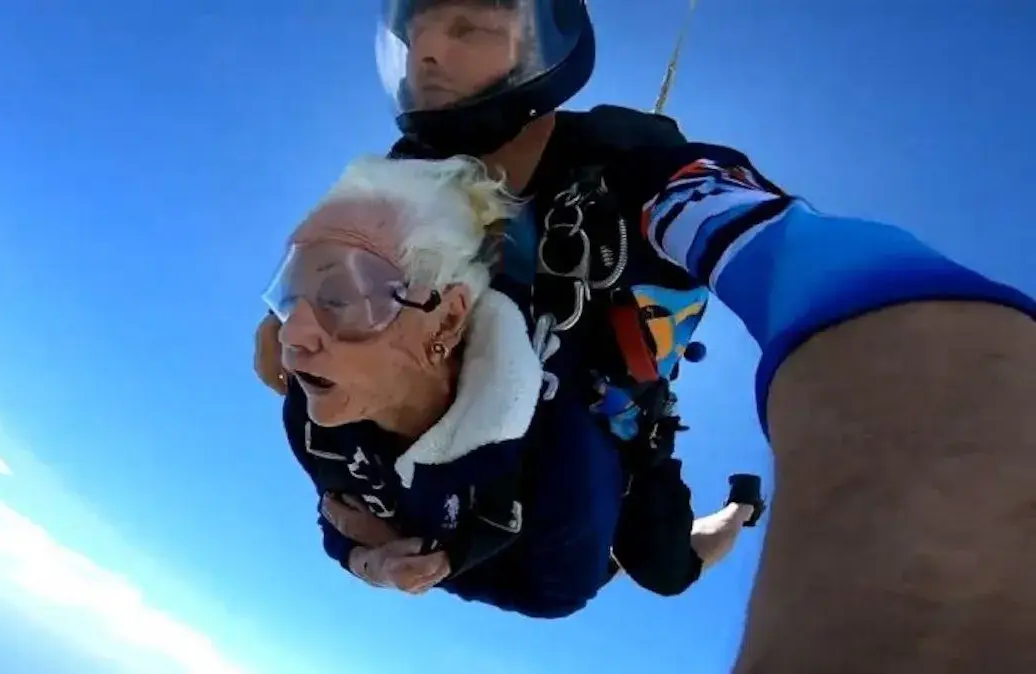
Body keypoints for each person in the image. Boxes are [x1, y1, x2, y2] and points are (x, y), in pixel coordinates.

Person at [260, 2, 1036, 671]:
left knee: (665, 568)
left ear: (540, 43)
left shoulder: (642, 171)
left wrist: (937, 381)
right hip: (481, 410)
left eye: (470, 26)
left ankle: (733, 515)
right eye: (418, 30)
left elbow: (795, 252)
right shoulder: (396, 179)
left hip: (613, 412)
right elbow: (283, 340)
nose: (429, 50)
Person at [268, 154, 759, 618]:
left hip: (592, 496)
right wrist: (371, 562)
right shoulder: (314, 410)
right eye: (291, 295)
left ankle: (741, 506)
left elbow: (552, 597)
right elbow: (340, 515)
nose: (292, 334)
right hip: (510, 526)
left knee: (665, 570)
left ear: (447, 320)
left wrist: (427, 563)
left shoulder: (560, 470)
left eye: (341, 296)